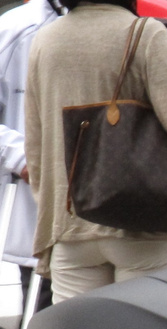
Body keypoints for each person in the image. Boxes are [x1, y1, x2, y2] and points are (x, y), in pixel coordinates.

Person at [25, 0, 167, 302]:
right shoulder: (146, 34)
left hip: (70, 225)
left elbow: (36, 143)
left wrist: (51, 212)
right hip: (145, 224)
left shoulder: (46, 40)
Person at [0, 0, 59, 311]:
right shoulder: (15, 29)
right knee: (46, 308)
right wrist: (22, 158)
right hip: (37, 202)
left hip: (102, 204)